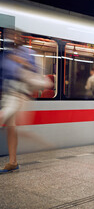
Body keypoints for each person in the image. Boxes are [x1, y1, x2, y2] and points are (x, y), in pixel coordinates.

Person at [0, 30, 52, 174]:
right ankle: (13, 162)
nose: (12, 38)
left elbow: (34, 71)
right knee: (11, 128)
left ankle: (44, 145)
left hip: (19, 94)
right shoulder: (6, 54)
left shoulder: (27, 53)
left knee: (5, 121)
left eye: (14, 36)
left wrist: (21, 63)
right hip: (8, 94)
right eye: (10, 36)